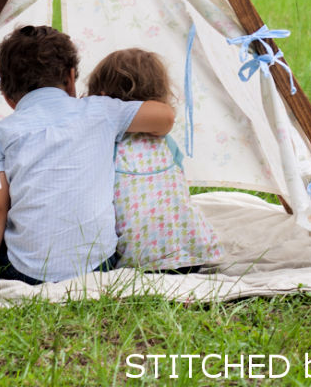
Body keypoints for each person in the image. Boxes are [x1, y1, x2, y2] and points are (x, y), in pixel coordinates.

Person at [0, 25, 174, 283]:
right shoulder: (102, 112)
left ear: (9, 97)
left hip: (24, 271)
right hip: (98, 266)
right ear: (70, 76)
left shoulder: (1, 133)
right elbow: (165, 117)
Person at [86, 48, 222, 272]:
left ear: (101, 96)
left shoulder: (106, 146)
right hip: (192, 252)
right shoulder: (166, 142)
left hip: (139, 258)